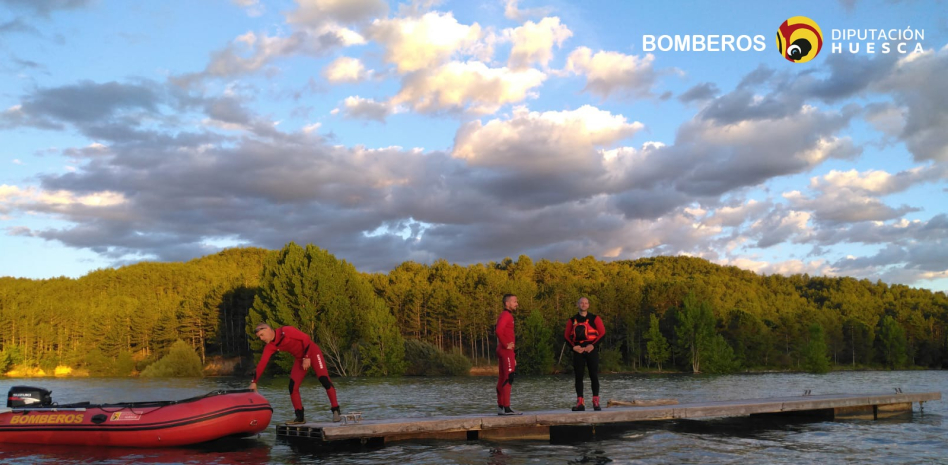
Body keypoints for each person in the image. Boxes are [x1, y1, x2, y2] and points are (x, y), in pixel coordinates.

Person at [250, 322, 341, 424]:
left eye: (262, 335)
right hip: (300, 359)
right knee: (292, 387)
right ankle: (300, 417)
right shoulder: (270, 346)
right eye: (259, 337)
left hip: (312, 352)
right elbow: (262, 363)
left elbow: (306, 338)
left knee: (324, 379)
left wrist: (307, 357)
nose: (261, 339)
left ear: (268, 329)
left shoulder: (286, 331)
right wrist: (254, 381)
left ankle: (336, 410)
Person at [564, 297, 606, 411]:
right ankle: (580, 403)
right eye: (581, 303)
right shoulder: (572, 320)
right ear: (577, 304)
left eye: (586, 303)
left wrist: (593, 345)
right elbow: (566, 336)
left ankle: (596, 402)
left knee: (594, 375)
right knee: (579, 376)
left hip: (591, 349)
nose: (583, 305)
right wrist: (574, 347)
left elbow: (602, 333)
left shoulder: (595, 318)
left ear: (588, 305)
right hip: (578, 350)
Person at [495, 294, 522, 415]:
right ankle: (506, 407)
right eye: (514, 301)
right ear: (507, 303)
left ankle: (501, 406)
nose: (517, 304)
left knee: (502, 378)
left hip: (505, 350)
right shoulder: (506, 315)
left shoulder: (507, 315)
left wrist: (512, 354)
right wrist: (506, 345)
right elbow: (498, 331)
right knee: (508, 377)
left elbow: (505, 333)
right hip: (505, 350)